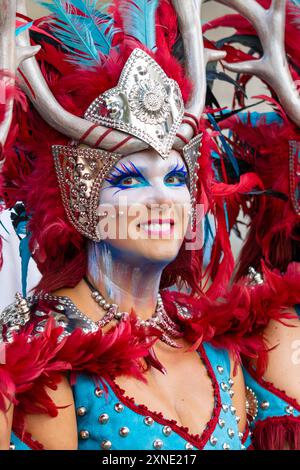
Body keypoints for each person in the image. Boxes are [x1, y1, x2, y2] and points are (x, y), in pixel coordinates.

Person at [0, 0, 254, 451]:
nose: (162, 199)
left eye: (176, 178)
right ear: (80, 199)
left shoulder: (216, 348)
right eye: (130, 179)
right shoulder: (42, 356)